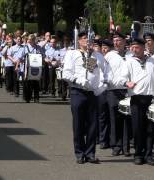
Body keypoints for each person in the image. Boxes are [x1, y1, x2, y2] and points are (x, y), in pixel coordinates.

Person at [62, 31, 105, 164]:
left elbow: (103, 73)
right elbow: (66, 73)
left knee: (92, 124)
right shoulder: (72, 54)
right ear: (79, 40)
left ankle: (90, 153)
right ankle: (79, 153)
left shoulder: (96, 55)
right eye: (85, 38)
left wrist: (102, 85)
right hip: (78, 92)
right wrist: (79, 80)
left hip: (92, 93)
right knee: (79, 123)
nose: (88, 40)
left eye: (90, 38)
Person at [119, 38, 154, 166]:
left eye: (136, 47)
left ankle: (149, 155)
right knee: (137, 128)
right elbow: (122, 78)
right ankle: (138, 154)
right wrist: (127, 82)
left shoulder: (153, 61)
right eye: (132, 47)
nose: (133, 49)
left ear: (143, 48)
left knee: (150, 129)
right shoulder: (129, 62)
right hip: (136, 99)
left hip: (150, 99)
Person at [104, 36, 130, 156]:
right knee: (115, 118)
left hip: (128, 90)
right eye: (114, 40)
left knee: (127, 118)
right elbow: (105, 72)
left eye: (119, 40)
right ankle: (116, 145)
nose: (116, 42)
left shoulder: (130, 54)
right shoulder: (109, 55)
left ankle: (126, 146)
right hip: (113, 90)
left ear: (124, 41)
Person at [24, 34, 44, 103]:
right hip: (28, 67)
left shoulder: (38, 47)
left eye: (31, 40)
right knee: (28, 83)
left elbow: (43, 55)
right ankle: (28, 97)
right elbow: (21, 56)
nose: (29, 41)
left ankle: (36, 98)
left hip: (36, 67)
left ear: (34, 40)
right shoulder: (25, 47)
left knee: (36, 82)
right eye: (29, 39)